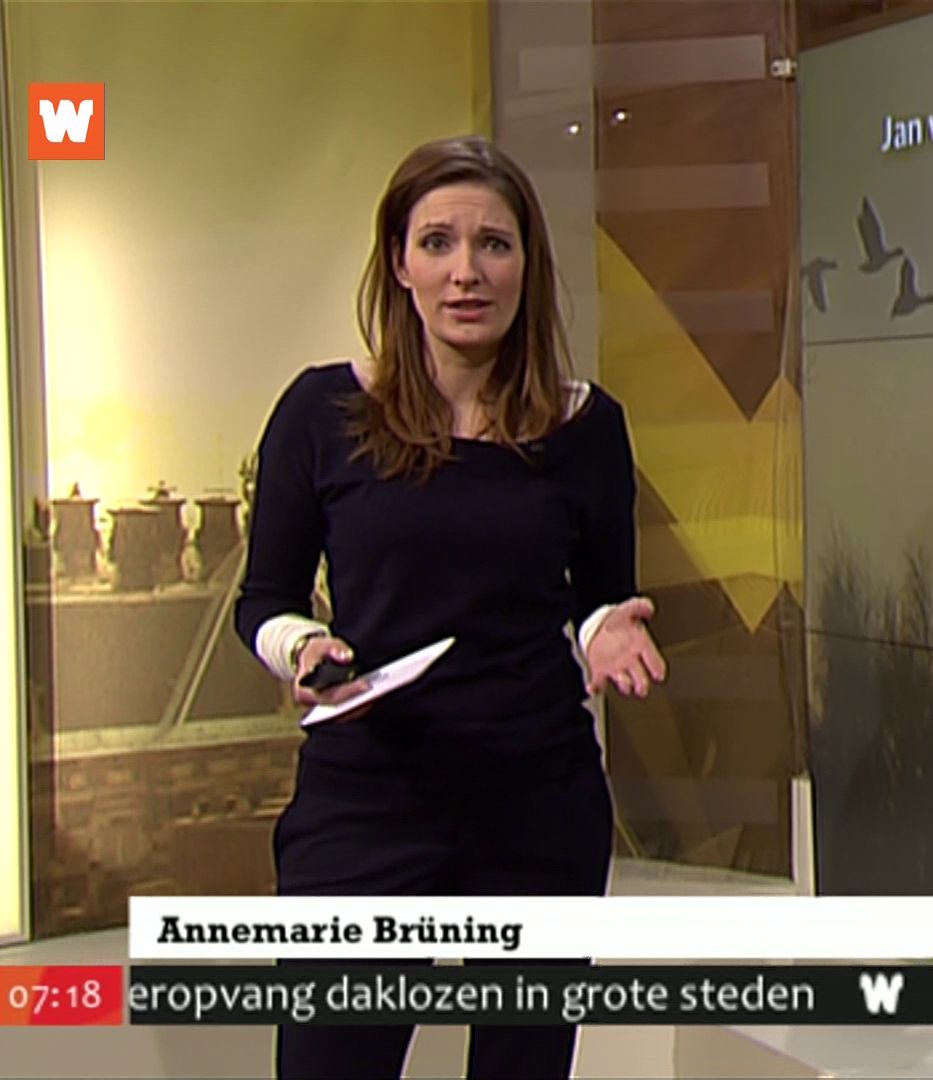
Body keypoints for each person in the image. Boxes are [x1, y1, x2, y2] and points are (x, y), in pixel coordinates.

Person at [233, 134, 667, 1079]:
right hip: (366, 807)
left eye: (493, 244)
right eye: (438, 243)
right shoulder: (320, 414)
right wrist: (302, 647)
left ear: (527, 264)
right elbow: (263, 598)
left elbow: (600, 592)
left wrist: (605, 629)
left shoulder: (588, 428)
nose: (466, 272)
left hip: (537, 807)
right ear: (399, 264)